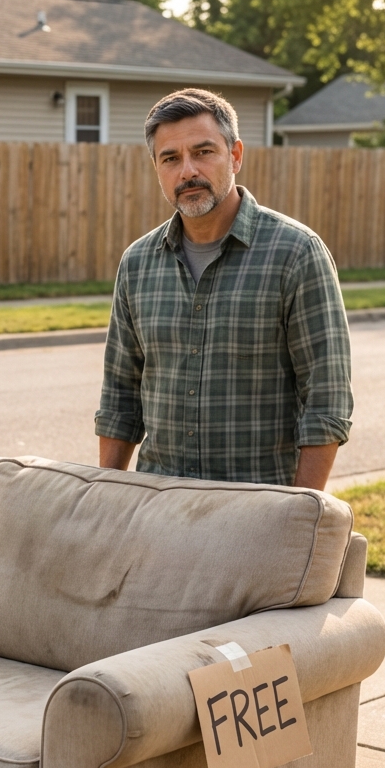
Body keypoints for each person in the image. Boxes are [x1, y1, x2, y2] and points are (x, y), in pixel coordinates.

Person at [95, 88, 352, 490]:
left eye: (203, 152)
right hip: (157, 507)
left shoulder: (296, 253)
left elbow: (327, 400)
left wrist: (301, 510)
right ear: (157, 168)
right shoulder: (137, 263)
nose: (187, 171)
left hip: (258, 510)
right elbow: (119, 399)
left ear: (235, 155)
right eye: (171, 158)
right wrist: (108, 500)